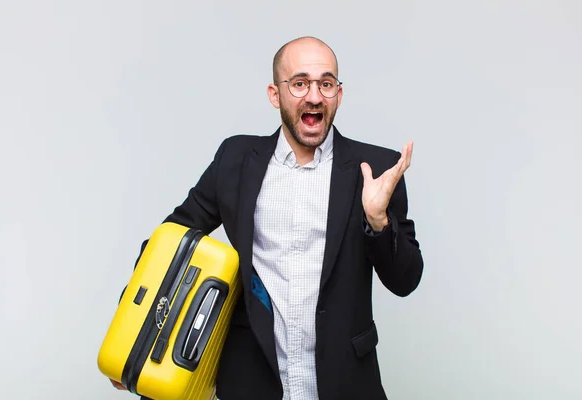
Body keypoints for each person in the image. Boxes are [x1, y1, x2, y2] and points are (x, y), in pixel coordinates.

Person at [113, 36, 423, 399]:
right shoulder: (236, 159)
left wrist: (377, 221)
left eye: (325, 83)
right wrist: (135, 333)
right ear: (275, 94)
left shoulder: (376, 169)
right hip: (251, 378)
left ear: (338, 94)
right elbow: (169, 241)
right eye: (299, 83)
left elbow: (406, 280)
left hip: (345, 380)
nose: (313, 96)